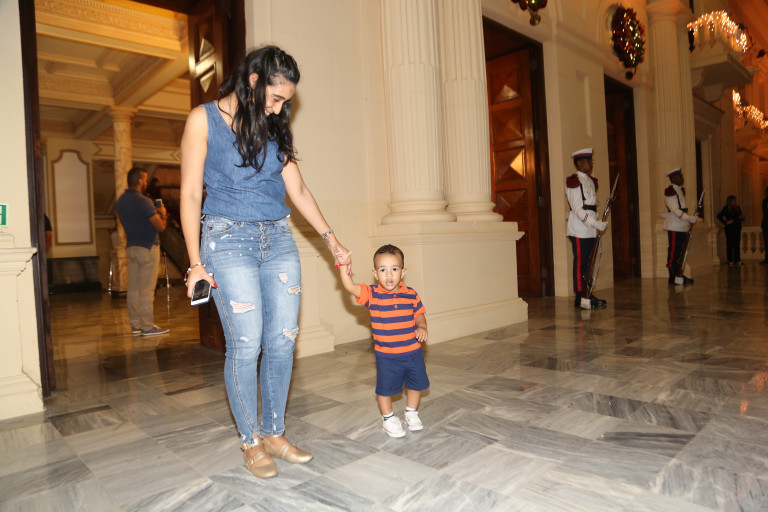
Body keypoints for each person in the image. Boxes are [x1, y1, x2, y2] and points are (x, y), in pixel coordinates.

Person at [179, 45, 351, 479]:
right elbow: (190, 193)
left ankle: (274, 434)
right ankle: (250, 441)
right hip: (226, 240)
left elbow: (299, 190)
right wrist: (195, 262)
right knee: (246, 344)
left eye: (284, 103)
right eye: (275, 98)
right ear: (254, 80)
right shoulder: (203, 119)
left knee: (282, 341)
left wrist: (332, 241)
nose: (277, 109)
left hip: (278, 239)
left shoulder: (272, 127)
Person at [337, 244, 429, 438]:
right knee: (385, 389)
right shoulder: (372, 294)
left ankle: (411, 413)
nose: (389, 275)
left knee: (416, 385)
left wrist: (422, 326)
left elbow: (419, 314)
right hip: (387, 356)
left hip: (413, 352)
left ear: (403, 272)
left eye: (394, 269)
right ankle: (388, 419)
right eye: (382, 270)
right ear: (375, 273)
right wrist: (343, 266)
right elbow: (349, 286)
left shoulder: (411, 294)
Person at [115, 166, 169, 336]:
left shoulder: (121, 201)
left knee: (133, 288)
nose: (146, 182)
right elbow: (160, 226)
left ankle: (135, 324)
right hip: (147, 247)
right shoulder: (143, 201)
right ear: (139, 181)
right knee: (146, 289)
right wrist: (163, 214)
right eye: (145, 179)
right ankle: (147, 326)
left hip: (131, 247)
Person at [566, 148, 608, 310]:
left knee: (589, 263)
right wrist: (594, 223)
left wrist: (595, 223)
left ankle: (587, 293)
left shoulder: (590, 181)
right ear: (580, 163)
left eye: (591, 161)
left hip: (589, 229)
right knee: (581, 263)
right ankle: (580, 296)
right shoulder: (574, 181)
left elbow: (591, 207)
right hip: (579, 229)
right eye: (588, 161)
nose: (591, 164)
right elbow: (577, 208)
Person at [663, 167, 698, 284]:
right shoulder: (670, 191)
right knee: (674, 251)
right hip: (674, 225)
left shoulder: (679, 190)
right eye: (680, 176)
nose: (682, 178)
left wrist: (688, 218)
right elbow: (675, 210)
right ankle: (672, 276)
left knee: (680, 252)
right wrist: (689, 217)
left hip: (681, 225)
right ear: (673, 178)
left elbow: (682, 208)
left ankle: (679, 275)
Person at [717, 195, 745, 266]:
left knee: (737, 244)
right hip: (730, 228)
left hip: (737, 228)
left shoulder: (737, 208)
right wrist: (726, 222)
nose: (735, 202)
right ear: (730, 201)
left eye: (735, 200)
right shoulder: (726, 208)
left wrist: (742, 217)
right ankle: (730, 260)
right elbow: (719, 215)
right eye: (733, 201)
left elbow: (741, 217)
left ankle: (737, 260)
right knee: (729, 244)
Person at [761, 187, 768, 264]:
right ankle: (766, 258)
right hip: (766, 224)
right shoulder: (765, 201)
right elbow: (765, 211)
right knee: (766, 242)